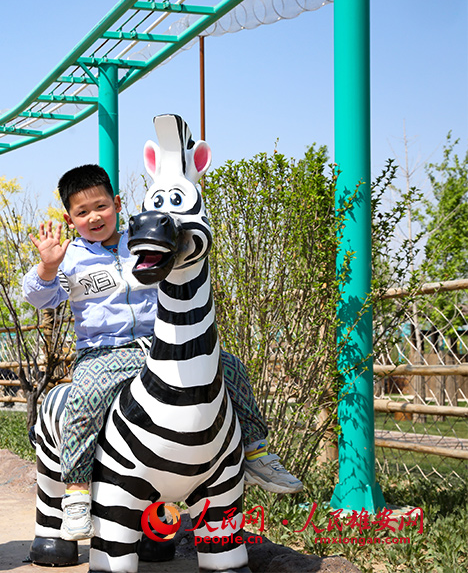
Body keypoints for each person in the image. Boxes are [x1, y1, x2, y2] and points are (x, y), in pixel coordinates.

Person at [22, 164, 302, 541]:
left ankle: (256, 451)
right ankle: (76, 489)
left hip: (162, 346)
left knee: (230, 367)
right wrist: (47, 266)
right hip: (106, 351)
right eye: (82, 212)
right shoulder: (69, 258)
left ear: (118, 204)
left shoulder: (140, 243)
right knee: (84, 396)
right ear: (70, 219)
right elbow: (42, 299)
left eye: (101, 206)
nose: (94, 217)